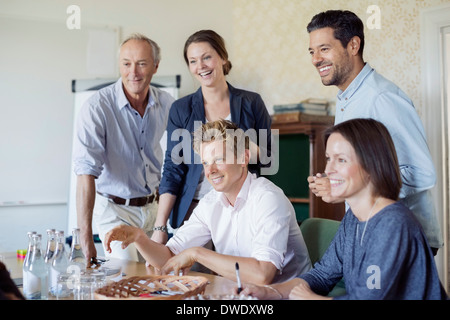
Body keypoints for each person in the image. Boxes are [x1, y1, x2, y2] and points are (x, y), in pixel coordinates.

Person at [240, 118, 448, 300]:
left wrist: (311, 299)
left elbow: (369, 298)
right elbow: (321, 276)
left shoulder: (393, 224)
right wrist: (269, 292)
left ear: (372, 164)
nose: (329, 170)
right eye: (329, 158)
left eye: (341, 160)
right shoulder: (354, 218)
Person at [104, 119, 311, 284]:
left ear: (243, 158)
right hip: (243, 294)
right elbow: (168, 258)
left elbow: (262, 274)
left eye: (219, 159)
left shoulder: (268, 199)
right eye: (205, 162)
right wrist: (140, 238)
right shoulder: (210, 203)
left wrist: (196, 253)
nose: (210, 171)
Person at [306, 10, 443, 254]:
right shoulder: (347, 98)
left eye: (324, 49)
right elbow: (367, 166)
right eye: (312, 51)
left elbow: (423, 173)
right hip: (372, 231)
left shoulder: (382, 98)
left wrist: (351, 187)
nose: (316, 59)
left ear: (353, 45)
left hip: (401, 235)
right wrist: (337, 181)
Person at [151, 30, 272, 244]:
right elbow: (173, 168)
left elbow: (269, 159)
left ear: (222, 57)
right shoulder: (181, 109)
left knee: (235, 275)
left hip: (241, 208)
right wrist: (160, 226)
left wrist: (234, 142)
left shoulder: (252, 103)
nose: (201, 66)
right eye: (193, 61)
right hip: (195, 210)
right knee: (191, 276)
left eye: (207, 57)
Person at [72, 33, 175, 263]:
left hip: (154, 209)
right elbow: (85, 174)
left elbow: (185, 155)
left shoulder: (167, 104)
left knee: (158, 276)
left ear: (155, 66)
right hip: (115, 211)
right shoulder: (97, 108)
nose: (133, 72)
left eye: (141, 63)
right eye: (126, 64)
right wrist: (86, 240)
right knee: (126, 275)